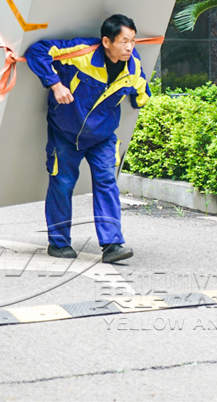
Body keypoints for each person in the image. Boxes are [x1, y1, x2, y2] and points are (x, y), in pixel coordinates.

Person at [24, 14, 151, 263]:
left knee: (107, 182)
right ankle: (59, 243)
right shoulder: (81, 52)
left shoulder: (133, 67)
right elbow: (37, 51)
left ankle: (112, 244)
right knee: (62, 184)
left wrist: (140, 98)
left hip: (102, 136)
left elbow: (141, 94)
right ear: (106, 41)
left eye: (133, 41)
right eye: (124, 41)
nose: (129, 47)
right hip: (66, 132)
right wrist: (56, 85)